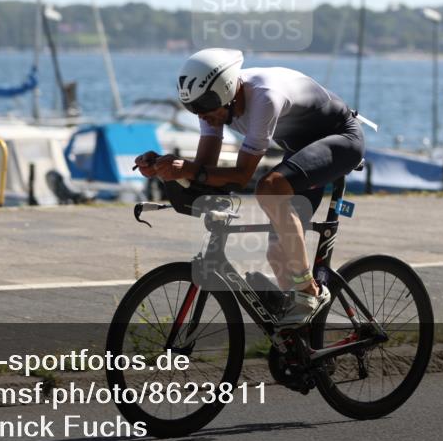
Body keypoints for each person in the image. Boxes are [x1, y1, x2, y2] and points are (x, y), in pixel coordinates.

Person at [135, 48, 366, 327]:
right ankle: (300, 342)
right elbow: (205, 168)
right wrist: (165, 167)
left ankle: (309, 293)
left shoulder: (264, 98)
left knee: (270, 189)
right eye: (193, 109)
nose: (202, 116)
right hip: (301, 150)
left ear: (228, 92)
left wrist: (188, 168)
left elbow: (242, 176)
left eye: (206, 109)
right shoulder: (210, 103)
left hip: (341, 139)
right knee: (279, 254)